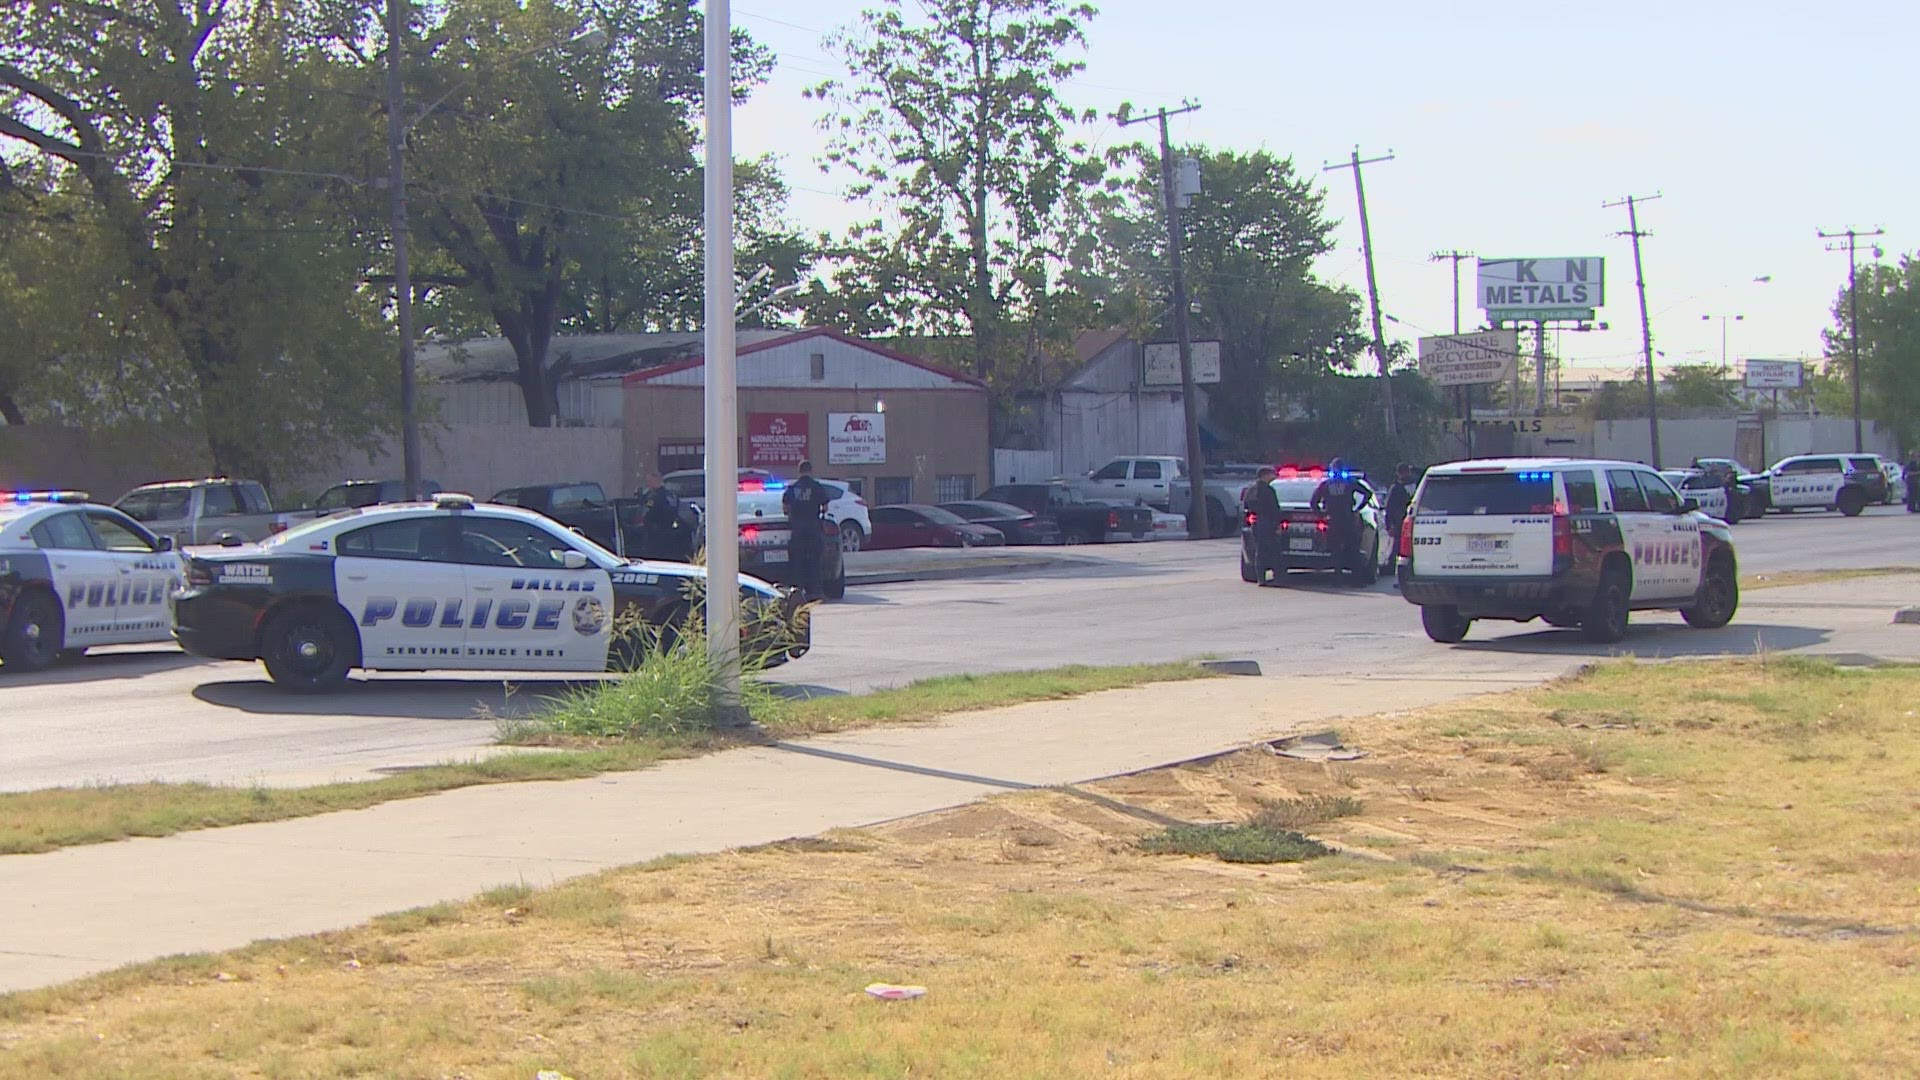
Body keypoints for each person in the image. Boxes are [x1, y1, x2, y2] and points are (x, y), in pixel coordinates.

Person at [782, 459, 831, 599]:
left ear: (799, 471)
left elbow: (785, 509)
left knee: (797, 561)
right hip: (813, 529)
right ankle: (815, 590)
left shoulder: (792, 488)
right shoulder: (817, 487)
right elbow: (825, 507)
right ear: (810, 470)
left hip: (797, 530)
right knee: (815, 560)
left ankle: (797, 590)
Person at [1311, 457, 1365, 584]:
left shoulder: (1325, 485)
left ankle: (1337, 577)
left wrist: (1322, 514)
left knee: (1336, 550)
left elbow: (1313, 502)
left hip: (1333, 521)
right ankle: (1356, 579)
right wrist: (1357, 508)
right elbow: (1367, 494)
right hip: (1347, 519)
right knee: (1353, 549)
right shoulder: (1350, 482)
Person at [636, 471, 688, 561]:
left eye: (649, 481)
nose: (647, 484)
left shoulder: (657, 496)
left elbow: (651, 513)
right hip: (671, 532)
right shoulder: (670, 495)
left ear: (656, 481)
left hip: (658, 533)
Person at [1244, 466, 1282, 586]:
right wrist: (1277, 526)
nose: (1273, 476)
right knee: (1273, 551)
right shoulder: (1268, 490)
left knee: (1259, 551)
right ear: (1265, 475)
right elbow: (1274, 509)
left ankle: (1261, 578)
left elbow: (1246, 505)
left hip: (1256, 522)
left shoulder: (1251, 489)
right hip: (1267, 522)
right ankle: (1277, 578)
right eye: (1271, 474)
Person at [1382, 463, 1416, 575]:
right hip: (1407, 522)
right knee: (1401, 547)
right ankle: (1396, 570)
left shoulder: (1397, 487)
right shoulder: (1417, 485)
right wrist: (1389, 525)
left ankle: (1394, 569)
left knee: (1399, 547)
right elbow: (1389, 508)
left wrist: (1389, 525)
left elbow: (1389, 507)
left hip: (1403, 522)